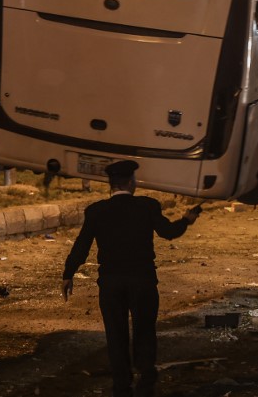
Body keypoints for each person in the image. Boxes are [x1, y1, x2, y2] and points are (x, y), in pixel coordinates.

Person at [62, 160, 200, 397]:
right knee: (144, 331)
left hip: (111, 282)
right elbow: (168, 232)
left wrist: (68, 273)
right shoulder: (147, 206)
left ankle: (122, 387)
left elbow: (81, 246)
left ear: (111, 184)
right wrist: (187, 220)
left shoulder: (96, 211)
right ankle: (145, 384)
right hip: (142, 280)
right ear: (131, 182)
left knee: (115, 335)